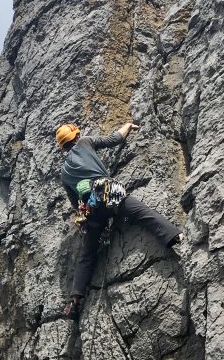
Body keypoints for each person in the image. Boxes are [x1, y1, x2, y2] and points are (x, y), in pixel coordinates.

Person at [56, 121, 183, 316]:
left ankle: (75, 299)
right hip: (109, 194)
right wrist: (128, 126)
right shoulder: (85, 143)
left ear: (63, 146)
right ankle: (176, 237)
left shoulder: (64, 174)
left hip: (91, 211)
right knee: (143, 214)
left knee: (87, 253)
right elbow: (113, 139)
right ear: (76, 135)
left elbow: (75, 204)